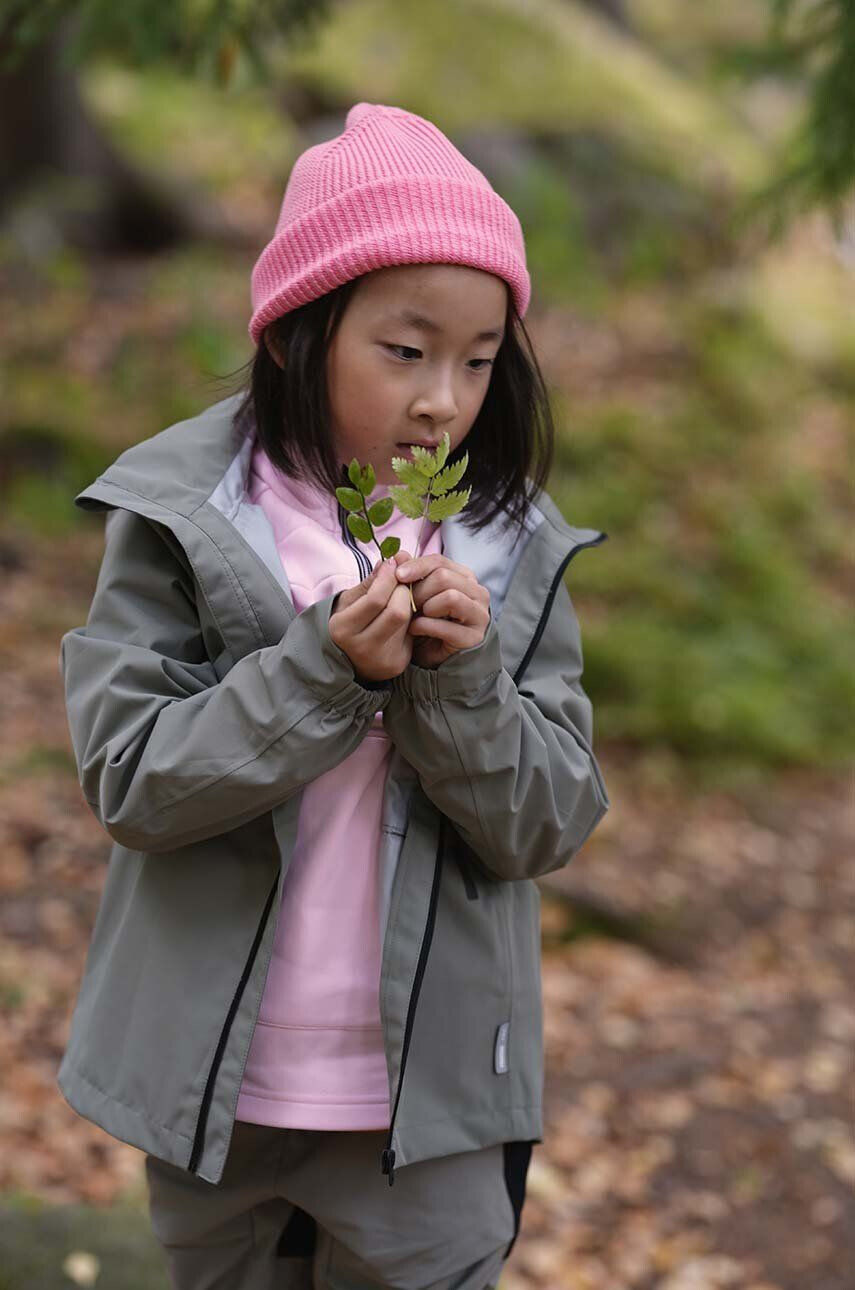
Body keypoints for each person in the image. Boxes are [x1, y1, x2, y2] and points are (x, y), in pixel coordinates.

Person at [57, 102, 611, 1290]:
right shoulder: (187, 525)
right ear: (298, 336)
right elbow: (133, 782)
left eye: (478, 361)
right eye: (405, 353)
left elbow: (549, 820)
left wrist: (460, 686)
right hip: (220, 1091)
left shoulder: (510, 549)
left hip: (435, 1107)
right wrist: (324, 671)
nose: (442, 403)